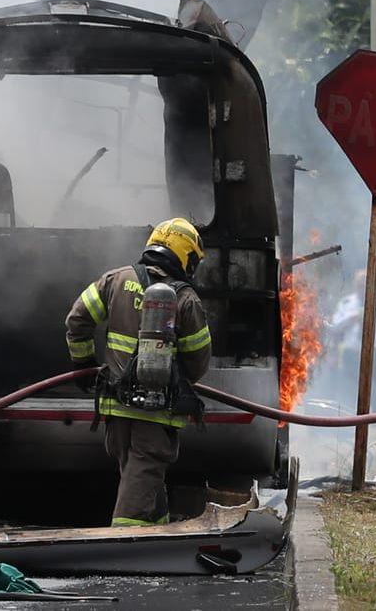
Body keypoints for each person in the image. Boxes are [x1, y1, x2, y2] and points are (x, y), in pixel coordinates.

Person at [65, 218, 212, 526]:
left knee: (143, 481)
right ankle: (121, 552)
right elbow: (198, 361)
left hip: (115, 409)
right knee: (137, 492)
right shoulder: (185, 300)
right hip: (156, 415)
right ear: (185, 256)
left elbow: (77, 320)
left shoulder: (115, 280)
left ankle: (162, 541)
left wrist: (85, 364)